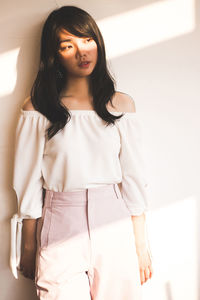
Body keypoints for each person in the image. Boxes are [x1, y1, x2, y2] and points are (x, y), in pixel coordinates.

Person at [10, 5, 153, 300]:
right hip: (60, 220)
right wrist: (27, 247)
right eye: (67, 45)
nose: (81, 52)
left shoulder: (121, 106)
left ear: (98, 43)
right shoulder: (37, 110)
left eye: (87, 40)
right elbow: (28, 182)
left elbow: (134, 177)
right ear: (55, 55)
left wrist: (140, 244)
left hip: (114, 219)